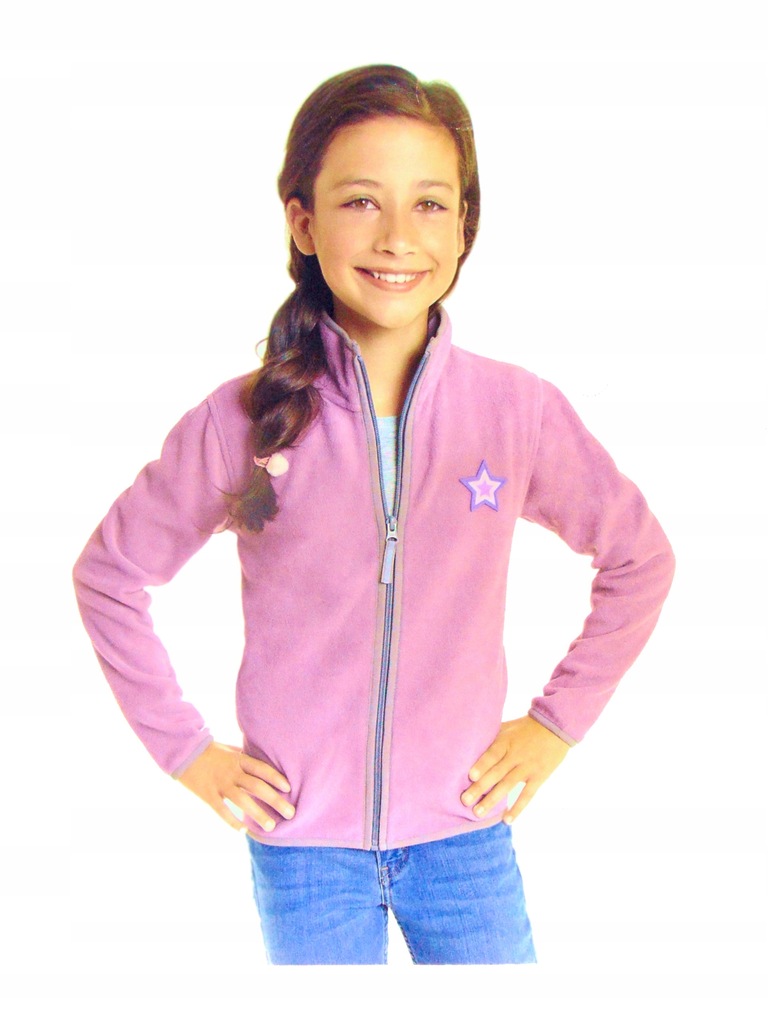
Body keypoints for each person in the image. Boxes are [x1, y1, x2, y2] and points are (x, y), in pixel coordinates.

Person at [72, 64, 675, 965]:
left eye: (429, 204)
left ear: (464, 226)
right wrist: (187, 752)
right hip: (303, 849)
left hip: (465, 834)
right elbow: (110, 575)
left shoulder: (516, 411)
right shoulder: (243, 421)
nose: (397, 236)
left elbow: (640, 558)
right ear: (302, 221)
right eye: (361, 201)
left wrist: (556, 725)